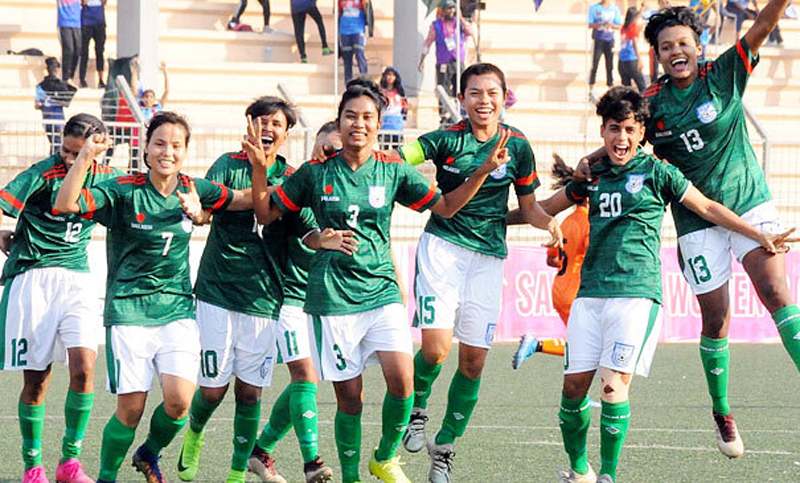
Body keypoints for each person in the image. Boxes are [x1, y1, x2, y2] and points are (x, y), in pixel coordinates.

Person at [250, 77, 510, 483]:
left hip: (382, 292)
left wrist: (482, 171)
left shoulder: (392, 169)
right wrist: (259, 170)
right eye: (350, 116)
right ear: (339, 121)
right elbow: (266, 214)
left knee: (403, 383)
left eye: (367, 117)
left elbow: (445, 207)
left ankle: (385, 456)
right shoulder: (316, 173)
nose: (359, 124)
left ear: (379, 123)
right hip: (332, 298)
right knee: (350, 400)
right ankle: (351, 477)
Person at [547, 86, 785, 483]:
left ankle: (608, 476)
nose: (621, 138)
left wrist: (757, 234)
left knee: (612, 389)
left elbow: (707, 207)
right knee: (572, 392)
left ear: (642, 132)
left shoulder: (659, 173)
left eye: (629, 129)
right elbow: (544, 208)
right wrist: (487, 217)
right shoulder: (592, 175)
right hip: (589, 295)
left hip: (636, 295)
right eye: (613, 129)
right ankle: (579, 470)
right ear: (602, 131)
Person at [53, 112, 250, 483]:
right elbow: (66, 203)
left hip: (177, 309)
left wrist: (212, 206)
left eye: (176, 145)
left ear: (186, 151)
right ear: (145, 148)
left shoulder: (194, 187)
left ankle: (148, 453)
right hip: (129, 311)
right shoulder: (123, 190)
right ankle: (107, 477)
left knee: (180, 402)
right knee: (131, 409)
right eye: (159, 143)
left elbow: (245, 199)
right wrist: (85, 157)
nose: (167, 152)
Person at [641, 2, 800, 459]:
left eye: (683, 43)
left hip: (750, 203)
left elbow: (763, 23)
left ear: (699, 46)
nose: (676, 51)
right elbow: (624, 137)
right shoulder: (652, 103)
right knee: (716, 319)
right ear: (657, 55)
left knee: (777, 292)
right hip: (696, 221)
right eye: (666, 46)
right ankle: (723, 411)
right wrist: (587, 165)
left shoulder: (724, 73)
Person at [398, 63, 561, 483]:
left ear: (504, 98)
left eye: (492, 93)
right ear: (462, 99)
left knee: (473, 363)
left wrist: (549, 224)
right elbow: (397, 158)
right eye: (475, 93)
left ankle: (444, 447)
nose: (484, 101)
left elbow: (529, 208)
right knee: (436, 351)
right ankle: (417, 408)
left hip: (488, 259)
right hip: (443, 250)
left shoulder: (518, 145)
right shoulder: (444, 139)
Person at [176, 98, 336, 483]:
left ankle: (236, 473)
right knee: (212, 391)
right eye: (261, 121)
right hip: (217, 291)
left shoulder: (293, 177)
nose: (268, 128)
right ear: (249, 126)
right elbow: (206, 209)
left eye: (276, 123)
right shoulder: (227, 165)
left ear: (286, 133)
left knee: (250, 394)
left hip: (266, 299)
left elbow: (306, 230)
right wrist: (197, 213)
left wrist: (321, 240)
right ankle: (194, 432)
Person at [0, 113, 122, 483]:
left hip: (77, 279)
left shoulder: (108, 180)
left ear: (99, 148)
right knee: (37, 380)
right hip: (34, 279)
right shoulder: (42, 173)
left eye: (78, 152)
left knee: (84, 368)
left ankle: (70, 463)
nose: (70, 159)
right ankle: (32, 467)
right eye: (66, 151)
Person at [245, 120, 347, 483]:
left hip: (326, 300)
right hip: (288, 297)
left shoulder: (348, 192)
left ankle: (260, 451)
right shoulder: (299, 187)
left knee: (308, 379)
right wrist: (321, 239)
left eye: (336, 150)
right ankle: (312, 463)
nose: (328, 155)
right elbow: (308, 235)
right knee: (304, 375)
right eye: (324, 147)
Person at [512, 154, 589, 369]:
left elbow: (552, 259)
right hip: (577, 292)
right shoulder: (589, 224)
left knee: (584, 344)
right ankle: (537, 344)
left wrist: (568, 258)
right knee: (589, 346)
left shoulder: (566, 222)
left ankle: (537, 345)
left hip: (559, 290)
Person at [419, 0, 475, 126]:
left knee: (460, 87)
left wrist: (461, 18)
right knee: (443, 89)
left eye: (452, 8)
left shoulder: (459, 24)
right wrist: (422, 59)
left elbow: (471, 32)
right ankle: (444, 116)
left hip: (458, 61)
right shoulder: (436, 25)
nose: (450, 11)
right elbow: (427, 42)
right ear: (443, 10)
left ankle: (461, 113)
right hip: (443, 62)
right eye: (448, 9)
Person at [35, 57, 77, 155]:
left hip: (47, 119)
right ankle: (54, 161)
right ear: (57, 69)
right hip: (58, 119)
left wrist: (45, 106)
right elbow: (67, 99)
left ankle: (53, 160)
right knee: (58, 144)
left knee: (54, 143)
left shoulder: (40, 86)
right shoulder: (62, 85)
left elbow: (36, 105)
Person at [588, 0, 622, 102]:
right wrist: (600, 24)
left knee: (609, 65)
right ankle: (591, 88)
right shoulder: (595, 8)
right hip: (598, 39)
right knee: (595, 64)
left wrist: (611, 25)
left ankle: (610, 86)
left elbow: (619, 25)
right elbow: (590, 24)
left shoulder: (614, 9)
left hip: (609, 40)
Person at [339, 0, 370, 82]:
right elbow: (338, 12)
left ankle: (364, 80)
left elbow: (367, 11)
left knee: (359, 54)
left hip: (358, 29)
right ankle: (348, 82)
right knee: (347, 58)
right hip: (344, 30)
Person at [78, 0, 107, 88]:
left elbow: (104, 2)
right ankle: (82, 79)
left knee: (100, 51)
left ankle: (101, 79)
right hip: (86, 20)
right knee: (84, 52)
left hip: (99, 19)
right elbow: (83, 2)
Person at [378, 67, 408, 150]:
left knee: (398, 150)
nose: (390, 77)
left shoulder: (399, 91)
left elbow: (404, 105)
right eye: (388, 75)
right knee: (384, 150)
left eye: (393, 75)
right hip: (384, 124)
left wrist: (405, 108)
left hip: (397, 125)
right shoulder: (380, 91)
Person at [618, 7, 647, 93]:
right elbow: (634, 44)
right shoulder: (633, 27)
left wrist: (642, 9)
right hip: (632, 60)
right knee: (642, 86)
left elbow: (638, 18)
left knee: (627, 89)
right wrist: (639, 59)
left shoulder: (624, 27)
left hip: (622, 61)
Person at [57, 0, 81, 83]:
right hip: (64, 23)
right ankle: (66, 77)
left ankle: (71, 76)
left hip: (77, 23)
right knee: (68, 50)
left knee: (78, 50)